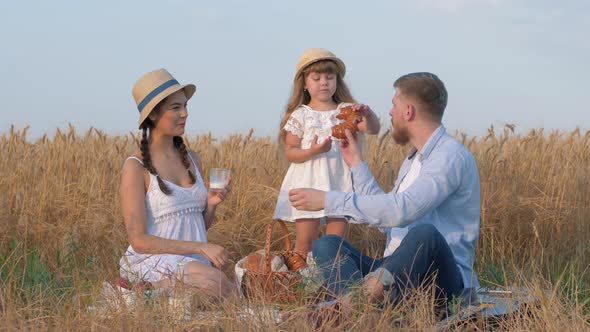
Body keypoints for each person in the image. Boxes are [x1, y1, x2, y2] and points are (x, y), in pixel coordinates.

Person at [288, 72, 481, 309]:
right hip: (393, 270)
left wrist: (329, 200)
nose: (390, 113)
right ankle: (365, 308)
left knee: (425, 235)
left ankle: (352, 306)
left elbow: (402, 210)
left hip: (440, 280)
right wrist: (356, 163)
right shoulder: (414, 159)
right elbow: (388, 219)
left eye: (394, 105)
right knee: (327, 245)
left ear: (408, 111)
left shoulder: (449, 157)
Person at [119, 68, 234, 301]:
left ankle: (152, 298)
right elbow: (139, 241)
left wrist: (211, 205)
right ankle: (139, 289)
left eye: (185, 106)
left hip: (191, 262)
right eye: (175, 108)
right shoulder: (136, 167)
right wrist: (200, 248)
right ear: (153, 114)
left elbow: (197, 226)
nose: (184, 114)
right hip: (155, 261)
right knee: (218, 284)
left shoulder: (191, 158)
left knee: (234, 284)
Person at [273, 48, 380, 257]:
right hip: (307, 180)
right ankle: (301, 285)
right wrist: (312, 151)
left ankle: (331, 285)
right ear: (304, 83)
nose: (324, 82)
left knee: (336, 243)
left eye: (329, 77)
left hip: (339, 180)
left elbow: (373, 129)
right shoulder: (301, 114)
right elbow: (290, 152)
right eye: (316, 78)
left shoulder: (346, 111)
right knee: (305, 242)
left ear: (337, 81)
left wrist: (367, 113)